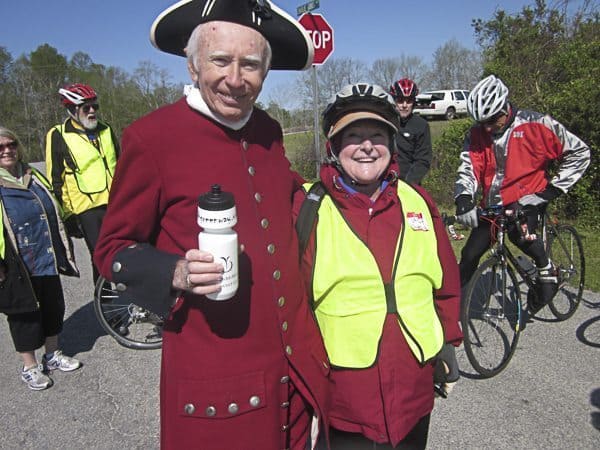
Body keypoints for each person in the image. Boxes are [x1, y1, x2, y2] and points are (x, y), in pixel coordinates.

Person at [93, 1, 329, 449]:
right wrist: (176, 272)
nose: (236, 79)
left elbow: (284, 198)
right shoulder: (152, 137)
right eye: (221, 60)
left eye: (251, 65)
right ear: (193, 63)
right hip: (217, 382)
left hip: (292, 374)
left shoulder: (269, 130)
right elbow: (112, 250)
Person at [293, 83, 462, 449]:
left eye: (377, 135)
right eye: (353, 135)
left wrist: (448, 341)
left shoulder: (417, 201)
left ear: (392, 143)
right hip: (346, 399)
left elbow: (445, 282)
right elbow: (290, 304)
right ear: (334, 147)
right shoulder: (308, 209)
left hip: (414, 390)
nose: (367, 145)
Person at [455, 74, 590, 313]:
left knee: (520, 235)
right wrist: (464, 199)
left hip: (529, 199)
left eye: (491, 120)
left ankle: (546, 269)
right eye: (481, 122)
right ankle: (448, 309)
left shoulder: (536, 124)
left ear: (505, 108)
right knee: (470, 254)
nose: (486, 127)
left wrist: (551, 191)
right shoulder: (477, 133)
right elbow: (469, 168)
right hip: (493, 204)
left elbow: (580, 152)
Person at [0, 127, 81, 390]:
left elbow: (53, 204)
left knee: (53, 306)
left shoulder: (32, 174)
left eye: (11, 144)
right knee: (23, 314)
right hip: (15, 261)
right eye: (0, 148)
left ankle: (52, 355)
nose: (7, 151)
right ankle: (30, 367)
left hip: (44, 254)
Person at [45, 83, 119, 284]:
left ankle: (131, 298)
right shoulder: (59, 134)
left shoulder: (106, 129)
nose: (92, 111)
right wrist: (67, 215)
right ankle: (105, 305)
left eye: (95, 106)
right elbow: (56, 179)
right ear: (72, 110)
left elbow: (120, 165)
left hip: (114, 202)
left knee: (126, 249)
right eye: (86, 108)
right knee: (100, 257)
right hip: (86, 208)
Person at [389, 78, 432, 184]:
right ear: (394, 101)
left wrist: (409, 184)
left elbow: (423, 160)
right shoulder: (386, 123)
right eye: (400, 100)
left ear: (413, 102)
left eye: (408, 101)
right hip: (385, 183)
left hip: (409, 184)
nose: (404, 105)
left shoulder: (421, 125)